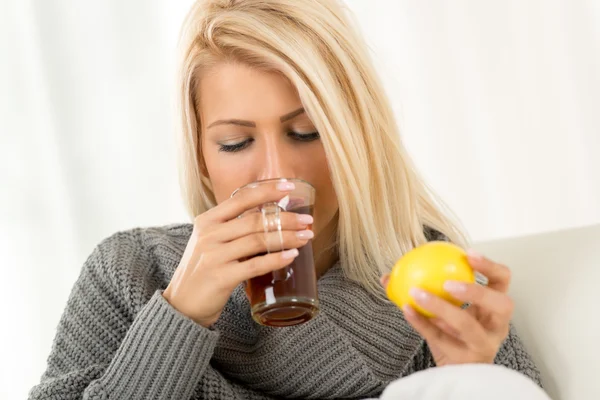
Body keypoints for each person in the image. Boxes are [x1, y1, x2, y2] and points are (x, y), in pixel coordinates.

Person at [29, 1, 549, 399]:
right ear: (201, 153)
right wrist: (178, 316)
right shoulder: (129, 273)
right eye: (235, 143)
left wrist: (473, 378)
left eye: (306, 133)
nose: (278, 175)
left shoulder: (428, 285)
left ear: (357, 136)